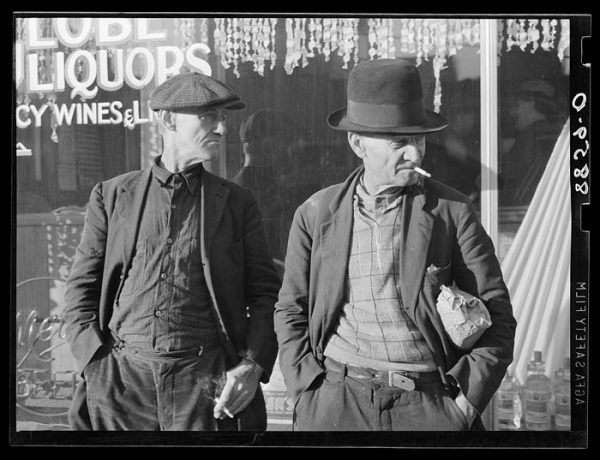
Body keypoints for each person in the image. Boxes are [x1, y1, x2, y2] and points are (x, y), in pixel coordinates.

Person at [274, 59, 516, 431]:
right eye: (399, 142)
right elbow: (290, 310)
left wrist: (464, 404)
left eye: (419, 139)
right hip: (336, 402)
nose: (415, 154)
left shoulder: (451, 212)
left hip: (427, 404)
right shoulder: (316, 213)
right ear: (358, 144)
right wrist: (304, 392)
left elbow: (497, 315)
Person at [63, 72, 280, 431]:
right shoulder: (113, 196)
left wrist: (251, 365)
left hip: (204, 384)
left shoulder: (238, 203)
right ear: (168, 120)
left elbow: (264, 294)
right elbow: (81, 288)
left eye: (223, 119)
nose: (222, 130)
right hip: (120, 383)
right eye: (210, 117)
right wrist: (94, 362)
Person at [231, 109, 295, 262]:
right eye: (283, 143)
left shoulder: (268, 185)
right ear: (267, 146)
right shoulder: (247, 192)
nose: (289, 150)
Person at [499, 79, 563, 206]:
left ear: (531, 103)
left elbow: (511, 177)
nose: (512, 112)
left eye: (517, 105)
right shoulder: (549, 131)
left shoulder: (531, 134)